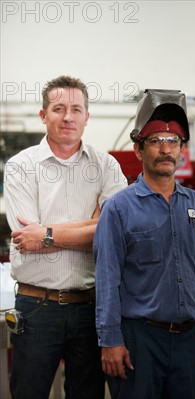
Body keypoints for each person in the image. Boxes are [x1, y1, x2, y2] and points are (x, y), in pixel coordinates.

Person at [4, 75, 128, 399]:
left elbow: (114, 233)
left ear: (87, 116)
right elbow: (24, 238)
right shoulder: (21, 167)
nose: (68, 116)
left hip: (91, 308)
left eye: (76, 109)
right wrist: (92, 226)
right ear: (44, 115)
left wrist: (45, 233)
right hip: (36, 307)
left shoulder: (107, 167)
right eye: (58, 108)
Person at [93, 89, 195, 399]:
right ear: (138, 150)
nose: (165, 149)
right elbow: (108, 279)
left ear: (181, 150)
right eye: (155, 141)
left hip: (190, 337)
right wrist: (110, 340)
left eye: (173, 141)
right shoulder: (119, 208)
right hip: (139, 338)